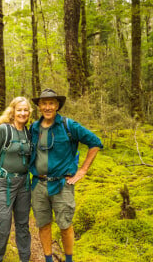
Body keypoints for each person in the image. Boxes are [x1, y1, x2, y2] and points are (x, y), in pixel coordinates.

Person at [29, 89, 103, 262]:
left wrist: (83, 170)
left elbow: (95, 143)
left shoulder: (68, 126)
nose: (47, 107)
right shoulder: (33, 128)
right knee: (43, 225)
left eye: (51, 103)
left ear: (57, 106)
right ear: (39, 106)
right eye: (44, 103)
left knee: (65, 225)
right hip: (38, 185)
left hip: (62, 185)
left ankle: (69, 259)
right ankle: (48, 259)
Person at [0, 97, 33, 262]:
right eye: (19, 110)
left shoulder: (29, 132)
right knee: (3, 225)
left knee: (22, 225)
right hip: (4, 184)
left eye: (25, 110)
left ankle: (25, 259)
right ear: (12, 111)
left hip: (24, 184)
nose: (22, 113)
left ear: (29, 113)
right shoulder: (4, 130)